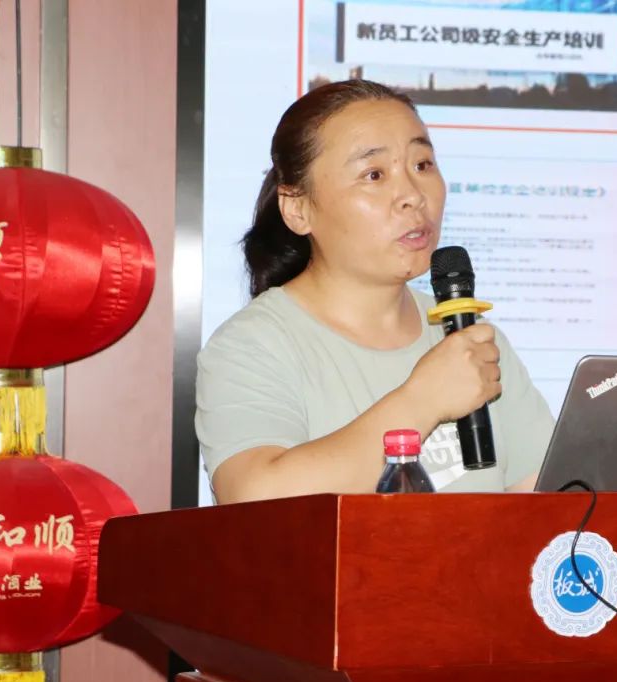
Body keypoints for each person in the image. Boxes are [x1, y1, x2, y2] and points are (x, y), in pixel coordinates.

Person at [196, 79, 554, 504]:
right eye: (374, 174)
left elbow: (552, 499)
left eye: (423, 165)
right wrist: (422, 401)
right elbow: (254, 499)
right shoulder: (252, 345)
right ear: (297, 208)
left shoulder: (469, 337)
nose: (413, 196)